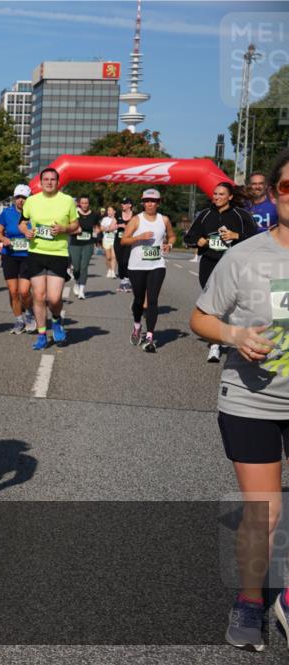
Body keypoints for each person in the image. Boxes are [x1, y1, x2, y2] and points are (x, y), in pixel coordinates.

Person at [189, 149, 289, 653]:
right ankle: (251, 602)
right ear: (273, 193)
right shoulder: (245, 255)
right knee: (264, 511)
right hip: (253, 399)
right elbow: (200, 318)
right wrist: (233, 334)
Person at [185, 181, 258, 362]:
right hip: (209, 263)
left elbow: (257, 238)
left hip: (233, 264)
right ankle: (216, 344)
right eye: (215, 194)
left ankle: (233, 337)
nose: (216, 197)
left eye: (221, 194)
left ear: (230, 197)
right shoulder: (205, 214)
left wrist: (236, 236)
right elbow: (188, 237)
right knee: (212, 304)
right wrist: (198, 240)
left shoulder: (241, 215)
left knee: (232, 304)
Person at [19, 167, 78, 350]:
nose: (49, 182)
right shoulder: (32, 201)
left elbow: (75, 224)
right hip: (36, 252)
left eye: (53, 179)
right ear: (41, 181)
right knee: (38, 295)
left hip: (58, 253)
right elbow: (22, 222)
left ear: (58, 182)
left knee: (53, 298)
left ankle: (56, 319)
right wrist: (26, 231)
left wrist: (63, 229)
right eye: (46, 179)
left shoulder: (67, 201)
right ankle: (42, 334)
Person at [120, 189, 176, 353]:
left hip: (157, 265)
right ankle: (137, 326)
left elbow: (172, 236)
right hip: (137, 266)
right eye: (147, 201)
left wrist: (169, 245)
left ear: (159, 203)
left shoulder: (164, 220)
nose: (150, 204)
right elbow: (124, 240)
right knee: (138, 300)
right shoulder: (136, 220)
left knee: (152, 300)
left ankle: (150, 337)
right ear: (143, 203)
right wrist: (139, 237)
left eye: (153, 201)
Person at [0, 184, 36, 334]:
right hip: (10, 255)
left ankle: (29, 313)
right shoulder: (7, 213)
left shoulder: (34, 213)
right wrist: (4, 238)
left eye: (24, 198)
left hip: (28, 256)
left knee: (24, 291)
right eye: (18, 197)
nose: (20, 200)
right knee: (13, 292)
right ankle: (19, 320)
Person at [68, 195, 99, 300]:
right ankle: (77, 282)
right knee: (76, 268)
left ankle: (81, 290)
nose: (85, 205)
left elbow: (97, 227)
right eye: (83, 203)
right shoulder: (74, 214)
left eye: (86, 203)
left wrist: (97, 231)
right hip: (75, 243)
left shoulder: (94, 215)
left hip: (88, 244)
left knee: (84, 267)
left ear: (89, 204)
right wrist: (75, 231)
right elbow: (67, 228)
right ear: (79, 203)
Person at [115, 198, 136, 293]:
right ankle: (122, 281)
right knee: (120, 261)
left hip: (129, 241)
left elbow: (138, 227)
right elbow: (111, 226)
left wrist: (127, 227)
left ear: (130, 205)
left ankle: (127, 281)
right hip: (118, 241)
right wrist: (119, 226)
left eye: (124, 203)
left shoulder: (135, 216)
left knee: (126, 261)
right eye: (122, 203)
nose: (122, 205)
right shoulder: (118, 214)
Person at [100, 205, 119, 278]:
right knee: (108, 257)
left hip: (114, 240)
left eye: (110, 210)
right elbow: (101, 228)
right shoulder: (105, 219)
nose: (108, 212)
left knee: (114, 256)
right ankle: (109, 269)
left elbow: (117, 229)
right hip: (106, 240)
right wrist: (110, 228)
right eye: (108, 210)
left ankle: (113, 272)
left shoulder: (117, 219)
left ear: (114, 211)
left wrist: (107, 228)